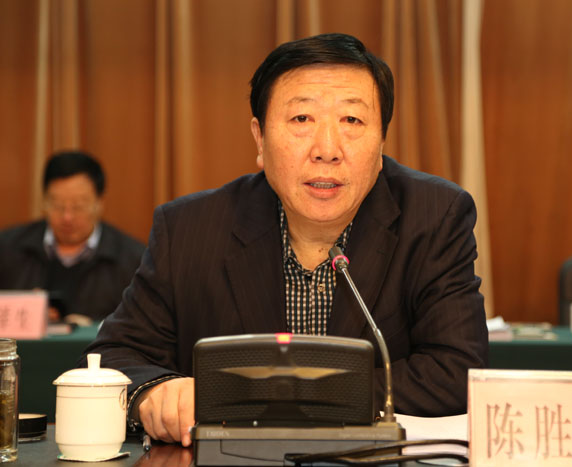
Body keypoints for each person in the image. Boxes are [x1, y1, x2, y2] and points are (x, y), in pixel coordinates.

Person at [82, 33, 488, 447]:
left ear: (381, 141)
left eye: (352, 120)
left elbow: (456, 370)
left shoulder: (434, 216)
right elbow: (113, 358)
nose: (327, 149)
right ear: (259, 138)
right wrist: (156, 391)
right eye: (301, 119)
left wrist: (281, 397)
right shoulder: (190, 228)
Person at [0, 151, 145, 323]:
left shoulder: (134, 260)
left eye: (78, 206)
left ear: (100, 203)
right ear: (44, 201)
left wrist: (94, 329)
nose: (67, 217)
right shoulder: (7, 248)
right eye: (58, 205)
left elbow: (143, 325)